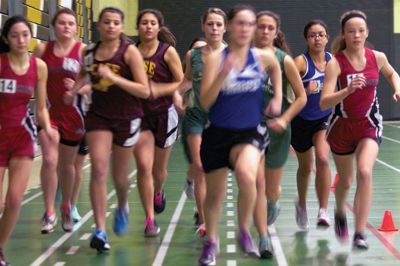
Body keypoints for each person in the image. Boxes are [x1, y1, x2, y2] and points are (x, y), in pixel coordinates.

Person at [197, 5, 282, 265]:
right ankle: (211, 241)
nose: (245, 29)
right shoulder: (214, 59)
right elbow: (205, 102)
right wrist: (222, 74)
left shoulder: (263, 57)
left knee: (247, 175)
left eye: (250, 24)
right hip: (218, 133)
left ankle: (244, 228)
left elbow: (277, 69)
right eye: (240, 23)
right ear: (230, 26)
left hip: (250, 131)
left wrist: (277, 96)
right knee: (214, 196)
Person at [65, 7, 149, 252]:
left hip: (127, 117)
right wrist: (73, 91)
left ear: (122, 27)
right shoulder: (89, 52)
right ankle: (100, 229)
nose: (111, 26)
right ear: (99, 25)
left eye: (116, 22)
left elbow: (144, 91)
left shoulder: (129, 52)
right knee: (99, 168)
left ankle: (123, 203)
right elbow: (84, 74)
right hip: (99, 117)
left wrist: (115, 79)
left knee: (120, 178)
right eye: (107, 22)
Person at [321, 10, 400, 250]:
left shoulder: (377, 57)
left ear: (367, 33)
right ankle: (339, 211)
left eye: (360, 31)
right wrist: (347, 90)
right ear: (344, 34)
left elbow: (392, 73)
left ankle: (359, 233)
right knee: (345, 181)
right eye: (351, 31)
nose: (356, 35)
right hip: (342, 127)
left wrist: (397, 88)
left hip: (369, 124)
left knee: (365, 172)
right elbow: (324, 102)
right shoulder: (335, 63)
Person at [0, 15, 56, 265]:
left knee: (14, 200)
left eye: (25, 34)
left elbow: (41, 107)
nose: (21, 40)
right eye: (15, 35)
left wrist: (49, 128)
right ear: (6, 39)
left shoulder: (39, 67)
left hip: (22, 138)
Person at [253, 10, 307, 258]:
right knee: (255, 183)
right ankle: (263, 238)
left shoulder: (285, 60)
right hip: (249, 129)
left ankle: (274, 203)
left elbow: (302, 97)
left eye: (269, 28)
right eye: (260, 27)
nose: (264, 32)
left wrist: (285, 119)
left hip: (277, 130)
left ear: (276, 32)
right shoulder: (241, 57)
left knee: (271, 190)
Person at [33, 8, 86, 233]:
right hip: (49, 113)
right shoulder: (42, 49)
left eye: (71, 23)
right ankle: (49, 211)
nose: (66, 27)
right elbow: (30, 76)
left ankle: (66, 205)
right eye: (62, 23)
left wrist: (76, 89)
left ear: (76, 28)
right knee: (50, 160)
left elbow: (97, 83)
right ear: (54, 26)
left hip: (74, 115)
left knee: (67, 166)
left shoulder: (83, 50)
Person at [134, 8, 183, 237]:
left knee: (158, 170)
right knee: (143, 167)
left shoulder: (168, 52)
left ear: (158, 27)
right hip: (138, 115)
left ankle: (159, 191)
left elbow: (182, 81)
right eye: (144, 22)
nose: (148, 26)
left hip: (164, 114)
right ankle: (149, 220)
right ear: (138, 26)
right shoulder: (130, 52)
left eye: (153, 23)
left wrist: (161, 90)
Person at [179, 8, 227, 236]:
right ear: (203, 26)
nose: (214, 28)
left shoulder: (234, 54)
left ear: (225, 28)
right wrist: (177, 97)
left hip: (223, 119)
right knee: (200, 167)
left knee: (217, 173)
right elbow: (187, 80)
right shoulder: (193, 56)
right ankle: (205, 220)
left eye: (218, 24)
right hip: (196, 115)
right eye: (210, 24)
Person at [292, 20, 333, 229]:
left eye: (321, 34)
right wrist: (305, 91)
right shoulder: (300, 62)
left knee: (324, 159)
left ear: (327, 38)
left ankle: (323, 210)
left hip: (323, 119)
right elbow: (285, 93)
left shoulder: (333, 61)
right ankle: (301, 203)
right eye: (312, 35)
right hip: (300, 121)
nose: (317, 38)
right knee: (305, 168)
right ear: (306, 39)